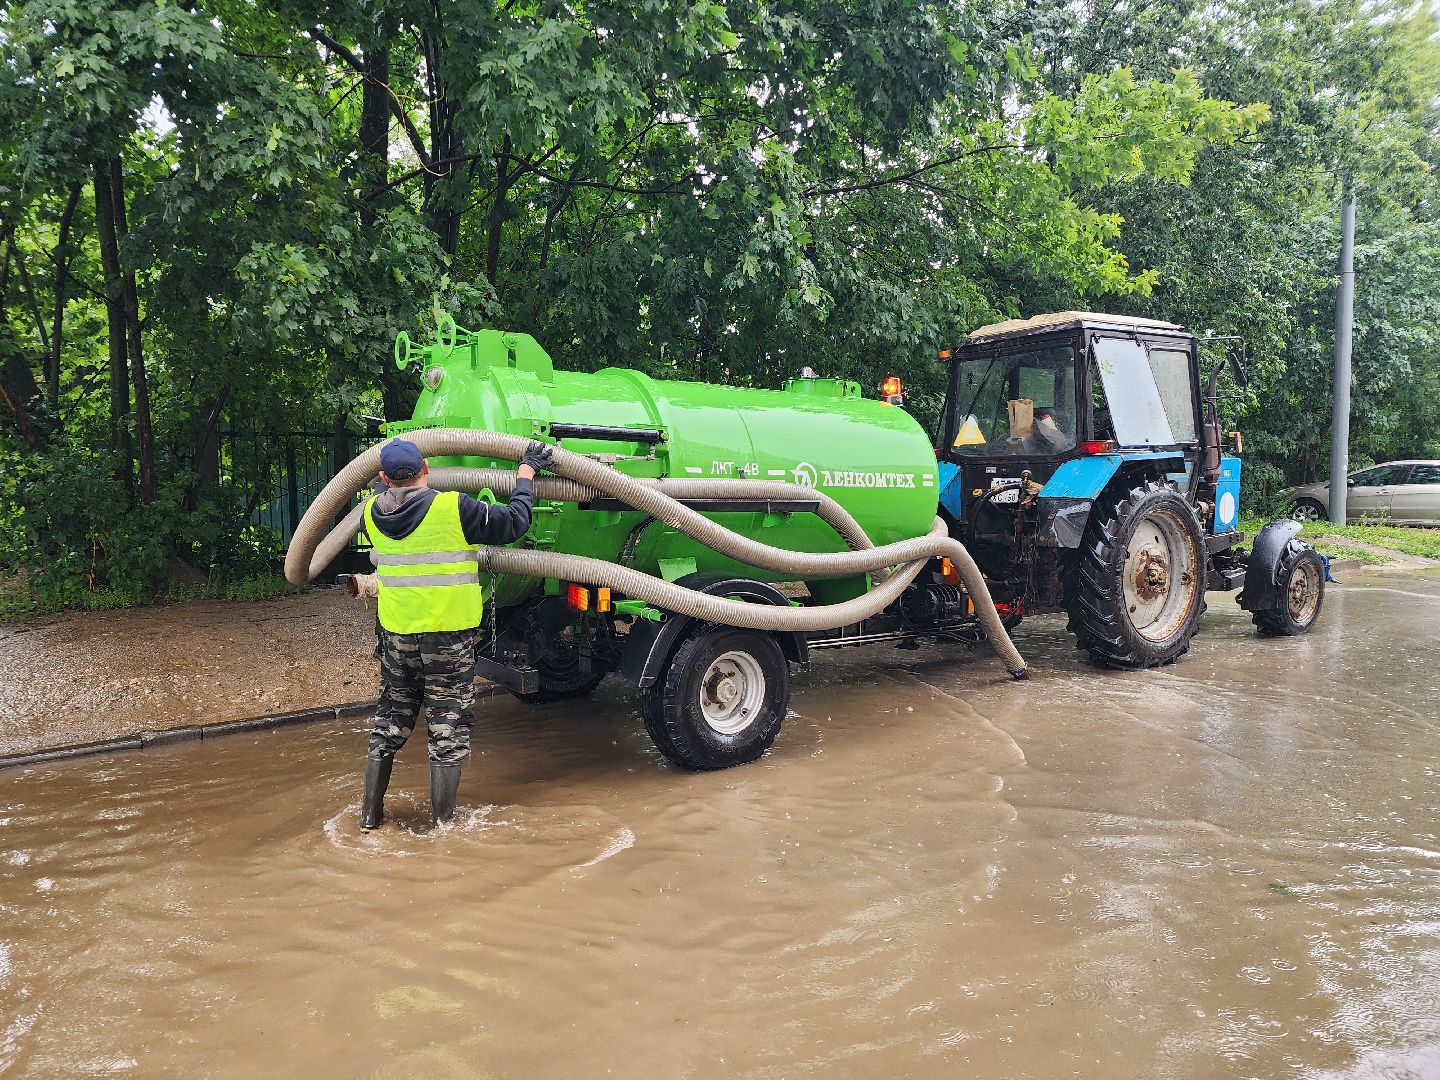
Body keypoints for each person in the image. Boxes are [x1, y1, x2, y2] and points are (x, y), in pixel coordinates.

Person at [358, 437, 554, 830]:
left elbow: (392, 506)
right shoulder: (453, 508)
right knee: (447, 727)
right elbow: (515, 522)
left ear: (382, 478)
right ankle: (444, 827)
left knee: (389, 722)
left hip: (396, 639)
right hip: (446, 641)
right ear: (426, 468)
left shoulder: (370, 514)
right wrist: (526, 473)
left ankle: (368, 818)